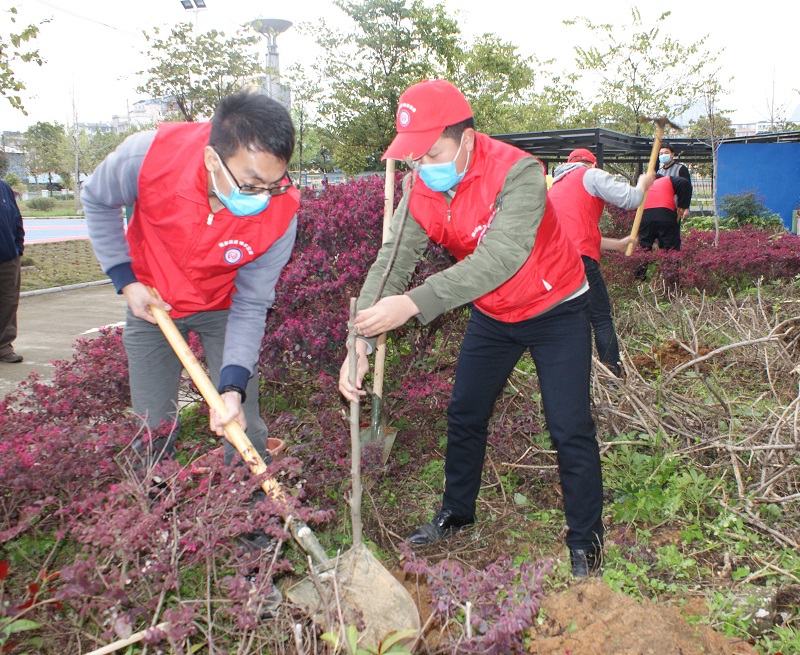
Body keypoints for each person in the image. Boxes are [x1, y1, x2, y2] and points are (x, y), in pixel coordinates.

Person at [338, 79, 603, 577]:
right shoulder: (421, 187)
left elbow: (500, 257)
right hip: (494, 313)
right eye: (413, 157)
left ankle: (586, 542)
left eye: (431, 152)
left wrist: (413, 305)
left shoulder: (518, 172)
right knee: (464, 413)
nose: (421, 166)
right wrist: (361, 338)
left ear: (465, 139)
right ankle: (457, 513)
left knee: (569, 426)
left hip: (556, 307)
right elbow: (392, 260)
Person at [83, 92, 300, 467]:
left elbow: (252, 303)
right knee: (151, 427)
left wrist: (232, 387)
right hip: (153, 302)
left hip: (225, 308)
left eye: (274, 183)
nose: (264, 196)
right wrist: (126, 280)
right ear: (212, 158)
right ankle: (154, 508)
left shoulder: (281, 213)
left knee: (243, 421)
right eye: (251, 184)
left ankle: (251, 511)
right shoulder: (148, 156)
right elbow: (97, 199)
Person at [548, 148, 654, 377]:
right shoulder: (590, 174)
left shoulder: (555, 188)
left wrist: (618, 244)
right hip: (579, 262)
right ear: (593, 164)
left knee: (571, 322)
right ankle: (612, 375)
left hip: (554, 263)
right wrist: (643, 183)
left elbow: (579, 235)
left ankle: (569, 375)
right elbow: (631, 199)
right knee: (601, 318)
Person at [0, 180, 24, 364]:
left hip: (8, 258)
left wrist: (17, 248)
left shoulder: (3, 188)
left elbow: (16, 218)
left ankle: (4, 346)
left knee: (8, 301)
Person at [638, 174, 692, 252]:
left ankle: (643, 263)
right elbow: (684, 182)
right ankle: (669, 263)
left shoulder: (645, 185)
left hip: (646, 216)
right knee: (670, 249)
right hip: (665, 214)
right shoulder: (666, 180)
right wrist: (682, 206)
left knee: (644, 248)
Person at [657, 142, 692, 222]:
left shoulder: (681, 169)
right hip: (661, 208)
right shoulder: (659, 172)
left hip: (676, 209)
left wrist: (686, 207)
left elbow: (688, 189)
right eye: (661, 154)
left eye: (666, 153)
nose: (663, 155)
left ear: (672, 154)